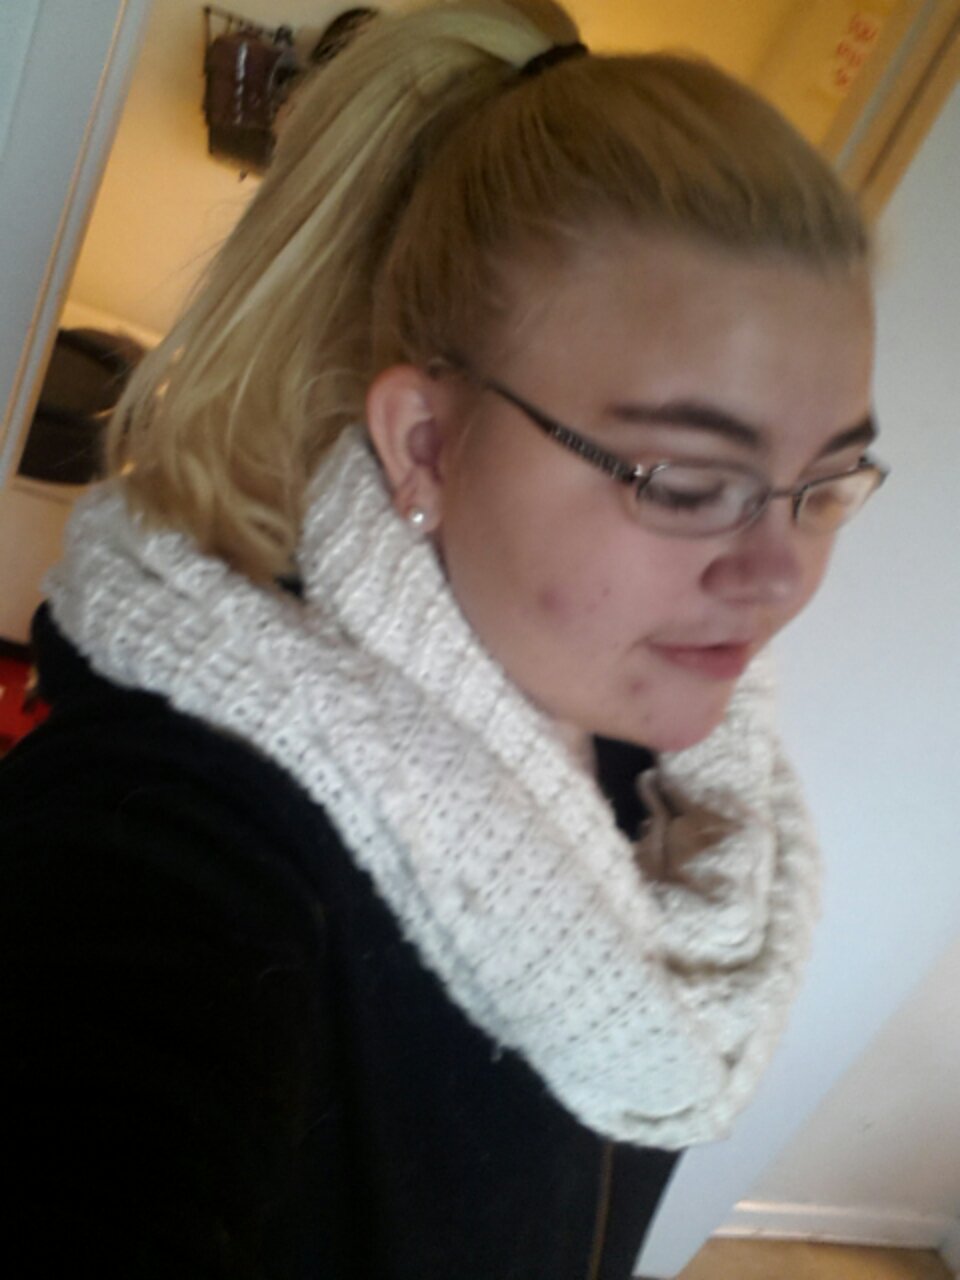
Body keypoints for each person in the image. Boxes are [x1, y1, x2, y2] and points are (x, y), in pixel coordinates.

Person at [0, 1, 886, 1277]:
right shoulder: (169, 838)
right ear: (424, 442)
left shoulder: (678, 764)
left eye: (827, 483)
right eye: (690, 481)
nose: (779, 574)